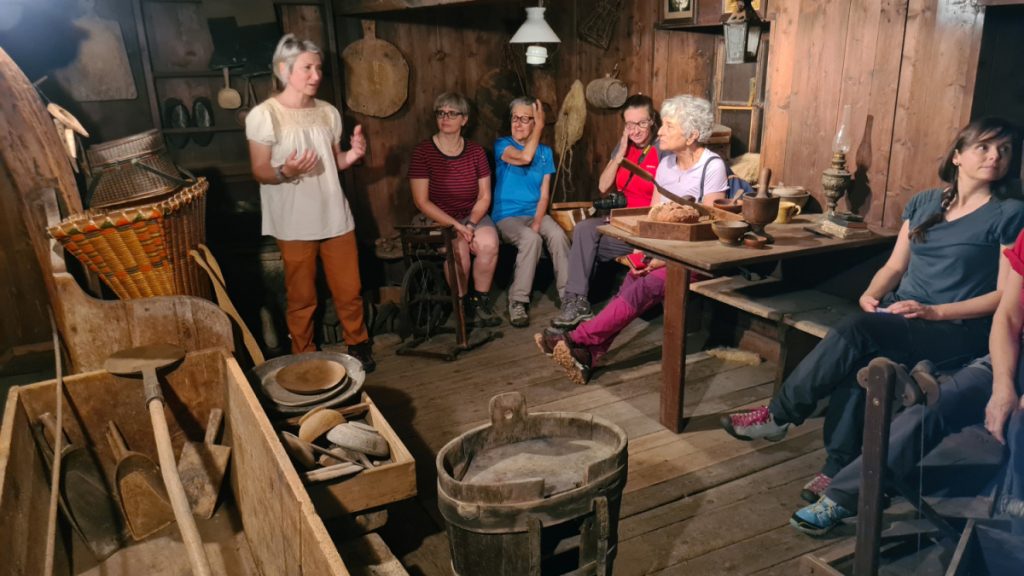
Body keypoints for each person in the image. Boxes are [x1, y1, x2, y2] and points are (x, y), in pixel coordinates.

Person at [722, 117, 1024, 504]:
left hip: (957, 328)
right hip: (900, 318)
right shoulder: (926, 202)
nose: (995, 156)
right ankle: (836, 469)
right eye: (984, 147)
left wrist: (934, 311)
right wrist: (871, 293)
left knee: (858, 333)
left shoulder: (1008, 213)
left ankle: (779, 415)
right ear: (958, 156)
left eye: (1004, 150)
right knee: (863, 360)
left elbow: (1004, 295)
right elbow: (895, 266)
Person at [535, 95, 729, 385]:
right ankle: (589, 356)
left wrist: (660, 259)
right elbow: (653, 219)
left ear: (692, 135)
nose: (660, 132)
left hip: (693, 259)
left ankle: (575, 338)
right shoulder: (667, 165)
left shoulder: (711, 166)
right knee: (631, 282)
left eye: (668, 126)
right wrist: (644, 255)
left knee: (643, 287)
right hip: (660, 251)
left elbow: (710, 229)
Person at [245, 34, 375, 371]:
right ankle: (304, 353)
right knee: (302, 296)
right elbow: (260, 170)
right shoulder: (265, 115)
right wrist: (285, 171)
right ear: (284, 69)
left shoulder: (328, 112)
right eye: (307, 68)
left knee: (349, 289)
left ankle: (358, 344)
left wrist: (353, 155)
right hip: (294, 221)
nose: (316, 75)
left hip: (334, 214)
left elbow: (335, 161)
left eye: (318, 68)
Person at [553, 94, 665, 329]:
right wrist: (621, 152)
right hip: (619, 222)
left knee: (585, 245)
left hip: (643, 227)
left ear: (653, 120)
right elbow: (603, 186)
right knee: (584, 230)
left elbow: (661, 200)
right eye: (630, 124)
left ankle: (579, 301)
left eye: (642, 123)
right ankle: (576, 302)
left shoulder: (662, 149)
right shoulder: (625, 146)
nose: (636, 130)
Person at [408, 92, 501, 327]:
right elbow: (421, 201)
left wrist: (470, 223)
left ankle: (479, 301)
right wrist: (457, 226)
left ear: (464, 119)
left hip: (471, 214)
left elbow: (484, 196)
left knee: (489, 244)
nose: (445, 118)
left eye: (451, 113)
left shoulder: (476, 152)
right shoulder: (423, 152)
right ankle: (461, 305)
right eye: (440, 113)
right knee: (459, 253)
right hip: (438, 217)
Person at [493, 97, 570, 328]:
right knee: (530, 239)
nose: (517, 124)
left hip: (534, 212)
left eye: (525, 119)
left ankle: (569, 297)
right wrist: (540, 126)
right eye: (515, 118)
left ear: (535, 122)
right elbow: (525, 157)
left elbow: (544, 195)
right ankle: (518, 300)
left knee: (558, 235)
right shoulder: (502, 145)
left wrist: (537, 221)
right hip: (507, 215)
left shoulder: (545, 153)